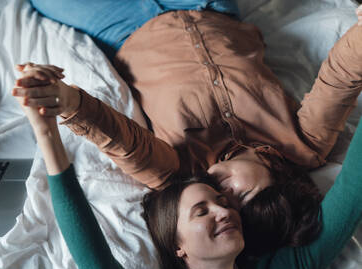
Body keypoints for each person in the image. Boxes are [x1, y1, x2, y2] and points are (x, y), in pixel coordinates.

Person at [13, 59, 362, 269]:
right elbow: (97, 267)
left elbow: (353, 185)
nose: (224, 212)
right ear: (177, 246)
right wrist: (45, 130)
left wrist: (48, 130)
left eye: (222, 203)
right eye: (203, 211)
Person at [20, 1, 362, 255]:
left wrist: (65, 100)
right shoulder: (304, 144)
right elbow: (340, 78)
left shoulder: (183, 177)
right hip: (210, 8)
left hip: (124, 27)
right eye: (240, 196)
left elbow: (126, 144)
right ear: (277, 175)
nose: (222, 198)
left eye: (226, 207)